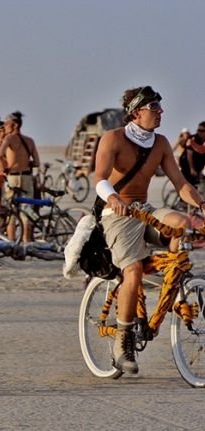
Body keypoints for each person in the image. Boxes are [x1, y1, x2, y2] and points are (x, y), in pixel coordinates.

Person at [94, 85, 205, 374]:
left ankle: (172, 280)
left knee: (183, 223)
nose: (161, 112)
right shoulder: (113, 139)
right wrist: (113, 197)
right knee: (132, 272)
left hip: (145, 210)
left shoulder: (161, 143)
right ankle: (123, 339)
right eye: (154, 108)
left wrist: (201, 205)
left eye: (160, 107)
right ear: (136, 112)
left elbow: (180, 184)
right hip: (117, 213)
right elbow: (99, 178)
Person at [0, 111, 40, 243]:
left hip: (13, 177)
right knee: (27, 209)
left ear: (14, 125)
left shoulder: (8, 139)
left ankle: (11, 240)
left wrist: (4, 168)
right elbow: (37, 162)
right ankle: (26, 240)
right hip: (27, 177)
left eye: (7, 124)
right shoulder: (29, 140)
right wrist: (25, 162)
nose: (5, 126)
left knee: (12, 210)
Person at [177, 121, 205, 186]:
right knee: (189, 183)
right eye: (198, 130)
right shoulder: (192, 139)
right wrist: (192, 169)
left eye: (201, 130)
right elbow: (189, 155)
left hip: (198, 162)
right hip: (187, 162)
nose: (198, 132)